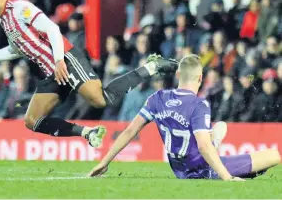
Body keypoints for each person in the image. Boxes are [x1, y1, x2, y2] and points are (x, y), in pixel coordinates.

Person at [0, 0, 178, 148]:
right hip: (52, 72)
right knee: (32, 121)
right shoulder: (4, 19)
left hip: (66, 60)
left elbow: (52, 28)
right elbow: (17, 49)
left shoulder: (20, 8)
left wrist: (60, 60)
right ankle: (88, 132)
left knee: (100, 100)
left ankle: (151, 66)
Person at [88, 54, 281, 180]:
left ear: (179, 75)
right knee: (273, 155)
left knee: (218, 130)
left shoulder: (157, 98)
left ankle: (218, 142)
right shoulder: (199, 104)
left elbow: (130, 131)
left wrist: (105, 161)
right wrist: (227, 178)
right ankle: (225, 153)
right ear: (200, 78)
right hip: (202, 170)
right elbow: (204, 147)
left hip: (179, 169)